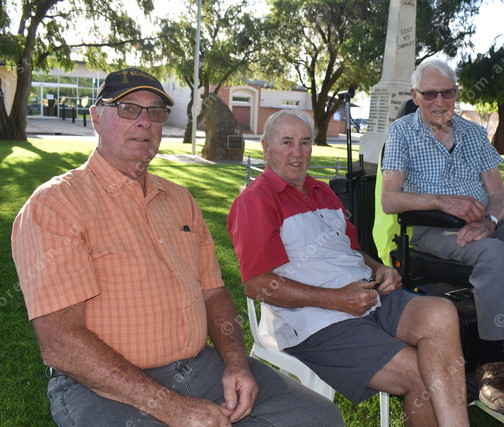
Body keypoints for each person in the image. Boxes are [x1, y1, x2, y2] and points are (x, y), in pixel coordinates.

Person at [11, 68, 342, 427]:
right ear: (96, 117)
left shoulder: (180, 200)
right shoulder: (55, 205)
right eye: (127, 108)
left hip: (201, 367)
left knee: (319, 417)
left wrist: (236, 364)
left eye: (155, 112)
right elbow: (60, 342)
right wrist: (172, 407)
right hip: (102, 385)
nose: (144, 121)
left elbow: (214, 294)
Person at [227, 110, 470, 427]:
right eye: (286, 142)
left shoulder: (322, 191)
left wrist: (379, 268)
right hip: (317, 321)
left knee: (441, 312)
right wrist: (337, 299)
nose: (297, 152)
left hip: (369, 297)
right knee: (420, 375)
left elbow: (352, 251)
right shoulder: (256, 201)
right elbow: (257, 285)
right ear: (266, 147)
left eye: (305, 142)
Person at [379, 59, 504, 414]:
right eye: (429, 94)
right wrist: (441, 201)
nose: (439, 101)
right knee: (495, 254)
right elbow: (390, 199)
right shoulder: (402, 132)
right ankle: (490, 363)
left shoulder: (474, 133)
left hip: (486, 222)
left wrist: (491, 222)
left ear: (457, 93)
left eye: (447, 92)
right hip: (433, 227)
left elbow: (497, 193)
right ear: (415, 96)